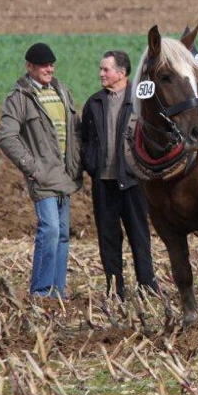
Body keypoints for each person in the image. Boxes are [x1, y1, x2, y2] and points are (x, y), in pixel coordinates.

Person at [0, 43, 82, 298]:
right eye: (44, 65)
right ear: (29, 67)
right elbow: (6, 137)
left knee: (63, 234)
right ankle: (41, 291)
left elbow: (75, 131)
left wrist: (77, 166)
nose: (49, 69)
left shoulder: (62, 92)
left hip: (65, 175)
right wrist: (31, 168)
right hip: (42, 177)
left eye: (51, 64)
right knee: (51, 230)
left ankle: (58, 291)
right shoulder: (20, 98)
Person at [80, 50, 159, 300]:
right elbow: (85, 141)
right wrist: (90, 164)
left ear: (121, 73)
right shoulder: (93, 103)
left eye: (106, 69)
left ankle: (147, 288)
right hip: (103, 183)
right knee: (108, 238)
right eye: (101, 69)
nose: (101, 73)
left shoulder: (141, 100)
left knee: (139, 236)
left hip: (134, 181)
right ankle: (115, 290)